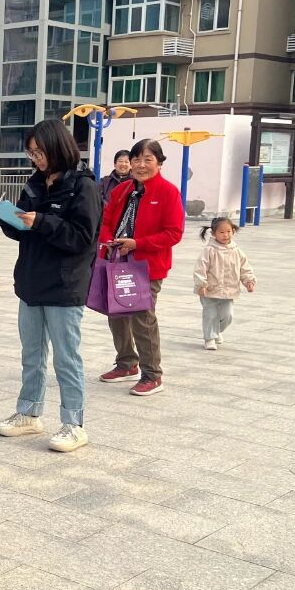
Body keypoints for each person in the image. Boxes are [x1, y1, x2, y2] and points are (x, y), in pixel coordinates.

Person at [0, 119, 100, 453]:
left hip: (64, 285)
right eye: (32, 153)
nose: (36, 159)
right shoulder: (35, 183)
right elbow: (24, 227)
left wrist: (41, 221)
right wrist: (7, 218)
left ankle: (74, 424)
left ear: (57, 147)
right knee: (32, 354)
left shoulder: (83, 186)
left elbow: (82, 237)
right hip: (31, 280)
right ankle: (28, 412)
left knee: (66, 358)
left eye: (40, 152)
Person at [97, 138, 184, 396]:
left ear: (159, 163)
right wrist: (108, 240)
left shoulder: (168, 192)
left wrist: (138, 244)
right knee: (116, 314)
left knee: (142, 319)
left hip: (147, 266)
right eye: (136, 159)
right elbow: (105, 221)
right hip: (117, 261)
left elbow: (174, 233)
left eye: (148, 159)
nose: (141, 165)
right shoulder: (122, 190)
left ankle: (152, 375)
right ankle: (126, 363)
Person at [193, 215, 256, 350]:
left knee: (228, 316)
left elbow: (244, 268)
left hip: (229, 289)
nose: (225, 235)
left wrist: (249, 281)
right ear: (213, 233)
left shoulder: (236, 251)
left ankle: (216, 331)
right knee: (210, 314)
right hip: (210, 289)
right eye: (221, 232)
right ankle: (209, 338)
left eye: (228, 231)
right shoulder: (209, 250)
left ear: (233, 231)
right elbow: (200, 268)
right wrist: (201, 284)